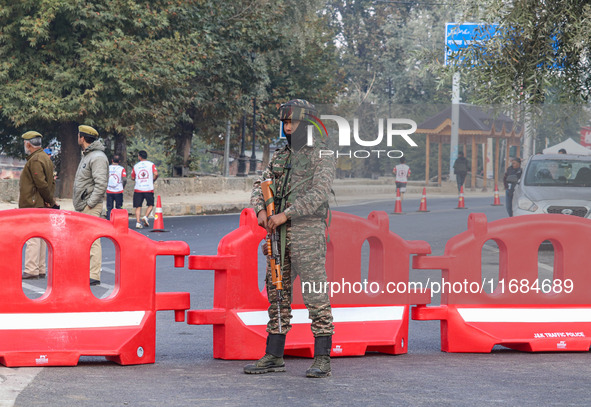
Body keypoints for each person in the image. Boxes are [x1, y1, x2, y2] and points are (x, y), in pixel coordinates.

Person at [244, 99, 335, 378]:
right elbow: (261, 184)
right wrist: (260, 210)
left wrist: (286, 214)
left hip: (307, 235)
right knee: (278, 295)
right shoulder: (280, 155)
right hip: (278, 237)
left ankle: (322, 359)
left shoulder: (323, 155)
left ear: (306, 124)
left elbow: (319, 194)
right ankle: (274, 355)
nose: (287, 127)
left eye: (291, 122)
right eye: (284, 122)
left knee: (315, 296)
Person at [73, 125, 109, 286]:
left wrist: (89, 204)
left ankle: (93, 274)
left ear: (82, 137)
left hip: (90, 206)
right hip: (83, 205)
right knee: (84, 240)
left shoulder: (97, 157)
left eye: (78, 135)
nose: (77, 137)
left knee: (93, 240)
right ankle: (86, 272)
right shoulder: (88, 155)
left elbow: (101, 184)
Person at [19, 131, 58, 280]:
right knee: (41, 237)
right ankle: (40, 268)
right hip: (43, 203)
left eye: (25, 143)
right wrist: (50, 200)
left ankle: (31, 269)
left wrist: (50, 200)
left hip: (34, 203)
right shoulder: (45, 158)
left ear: (28, 144)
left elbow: (40, 184)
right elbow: (51, 182)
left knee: (33, 237)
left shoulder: (35, 160)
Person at [131, 150, 158, 229]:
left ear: (139, 157)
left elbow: (132, 177)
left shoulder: (136, 166)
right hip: (148, 188)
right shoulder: (151, 164)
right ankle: (146, 216)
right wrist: (152, 180)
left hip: (138, 188)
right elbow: (156, 173)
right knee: (150, 205)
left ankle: (138, 222)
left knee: (138, 206)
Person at [106, 155, 126, 220]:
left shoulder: (107, 168)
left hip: (109, 190)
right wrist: (123, 186)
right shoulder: (121, 169)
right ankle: (119, 220)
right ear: (119, 161)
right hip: (118, 191)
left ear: (112, 160)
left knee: (109, 207)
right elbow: (124, 179)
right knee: (119, 207)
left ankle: (109, 220)